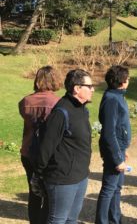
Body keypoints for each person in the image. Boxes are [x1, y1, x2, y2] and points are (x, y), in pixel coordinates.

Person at [35, 69, 94, 224]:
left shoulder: (82, 110)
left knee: (72, 219)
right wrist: (39, 173)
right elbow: (46, 147)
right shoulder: (61, 112)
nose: (93, 89)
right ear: (77, 88)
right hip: (62, 179)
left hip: (80, 176)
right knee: (57, 220)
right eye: (90, 86)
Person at [19, 66, 61, 224]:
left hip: (28, 151)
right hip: (48, 154)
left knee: (34, 192)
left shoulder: (25, 101)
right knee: (50, 193)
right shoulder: (57, 102)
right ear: (54, 79)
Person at [95, 66, 131, 224]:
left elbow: (120, 127)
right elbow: (109, 132)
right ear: (122, 82)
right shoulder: (111, 99)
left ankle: (115, 220)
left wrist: (124, 149)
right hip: (113, 150)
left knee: (116, 188)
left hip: (119, 148)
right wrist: (117, 158)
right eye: (128, 79)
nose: (129, 81)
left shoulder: (118, 96)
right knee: (109, 189)